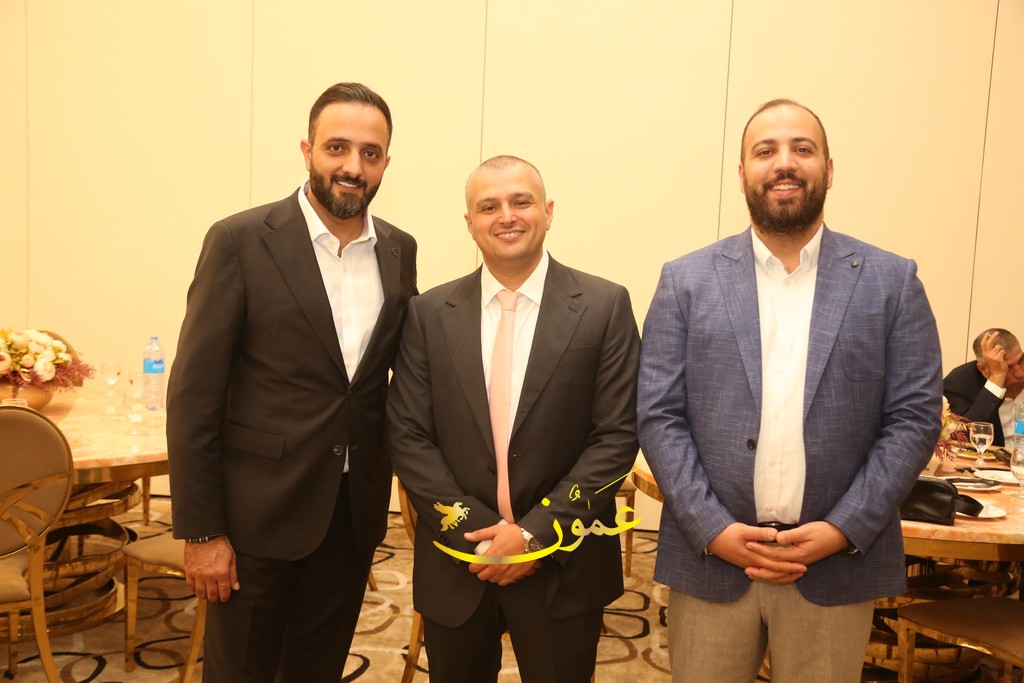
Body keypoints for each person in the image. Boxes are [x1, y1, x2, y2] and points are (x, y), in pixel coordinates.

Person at [637, 99, 942, 682]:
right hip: (713, 564)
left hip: (835, 566)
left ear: (829, 168)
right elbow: (658, 414)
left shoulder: (892, 281)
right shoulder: (686, 280)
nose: (784, 163)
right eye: (766, 150)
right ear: (742, 173)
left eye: (802, 149)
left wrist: (843, 528)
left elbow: (914, 419)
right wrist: (712, 528)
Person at [166, 82, 417, 682]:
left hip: (350, 516)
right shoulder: (240, 240)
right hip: (254, 519)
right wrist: (202, 531)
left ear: (386, 161)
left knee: (317, 669)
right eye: (337, 147)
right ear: (307, 150)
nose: (353, 166)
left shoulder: (399, 250)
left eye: (370, 153)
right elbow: (194, 396)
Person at [386, 155, 639, 683]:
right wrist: (479, 536)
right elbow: (407, 434)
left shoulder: (603, 306)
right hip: (459, 560)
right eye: (489, 206)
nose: (506, 216)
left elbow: (616, 437)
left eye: (521, 201)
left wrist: (533, 536)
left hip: (564, 562)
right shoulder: (428, 314)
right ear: (469, 223)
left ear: (548, 211)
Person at [943, 328, 1024, 446]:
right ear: (983, 370)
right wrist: (996, 379)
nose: (1020, 373)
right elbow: (962, 437)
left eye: (1021, 360)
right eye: (1008, 367)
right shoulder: (958, 384)